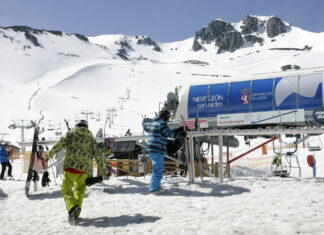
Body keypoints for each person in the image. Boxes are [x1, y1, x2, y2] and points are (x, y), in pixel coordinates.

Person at [46, 120, 108, 221]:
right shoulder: (91, 139)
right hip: (85, 171)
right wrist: (105, 172)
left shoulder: (70, 134)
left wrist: (48, 156)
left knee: (66, 189)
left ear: (76, 126)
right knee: (79, 191)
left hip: (71, 167)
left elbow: (59, 144)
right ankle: (75, 214)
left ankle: (71, 208)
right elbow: (98, 155)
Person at [147, 109, 186, 194]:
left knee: (157, 169)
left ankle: (155, 186)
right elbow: (169, 134)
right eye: (168, 118)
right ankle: (154, 189)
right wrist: (180, 134)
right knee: (158, 169)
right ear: (165, 117)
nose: (168, 120)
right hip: (157, 149)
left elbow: (165, 132)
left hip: (153, 149)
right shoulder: (161, 123)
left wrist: (177, 130)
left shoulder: (156, 122)